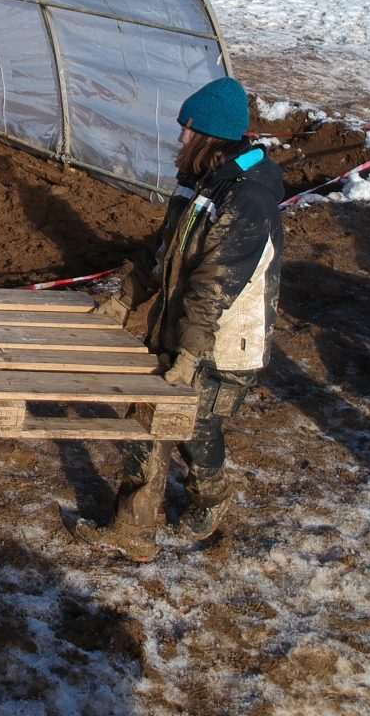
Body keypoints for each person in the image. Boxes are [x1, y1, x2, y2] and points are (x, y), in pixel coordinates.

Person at [73, 75, 284, 562]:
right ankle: (152, 519)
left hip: (224, 339)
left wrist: (190, 353)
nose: (180, 139)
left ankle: (191, 503)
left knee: (185, 425)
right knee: (160, 419)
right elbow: (164, 247)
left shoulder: (246, 198)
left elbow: (215, 284)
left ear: (210, 136)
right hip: (186, 323)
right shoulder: (204, 182)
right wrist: (126, 297)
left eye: (188, 131)